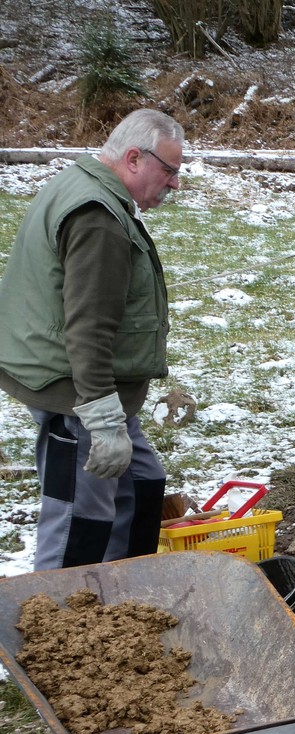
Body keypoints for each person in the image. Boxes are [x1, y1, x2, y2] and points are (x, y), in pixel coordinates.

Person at [0, 109, 184, 571]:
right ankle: (54, 619)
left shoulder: (89, 186)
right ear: (134, 158)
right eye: (169, 170)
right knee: (81, 515)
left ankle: (121, 594)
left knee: (142, 483)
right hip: (76, 393)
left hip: (102, 388)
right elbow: (87, 325)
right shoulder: (97, 215)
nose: (174, 184)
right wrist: (102, 418)